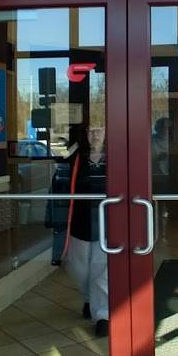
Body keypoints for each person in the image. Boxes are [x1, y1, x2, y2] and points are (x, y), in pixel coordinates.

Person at [61, 123, 110, 337]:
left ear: (107, 133)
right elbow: (60, 161)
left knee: (101, 269)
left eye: (100, 130)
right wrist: (76, 145)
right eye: (91, 131)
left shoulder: (115, 156)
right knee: (78, 267)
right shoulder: (78, 157)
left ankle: (102, 315)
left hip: (107, 221)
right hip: (81, 220)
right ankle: (90, 298)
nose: (95, 135)